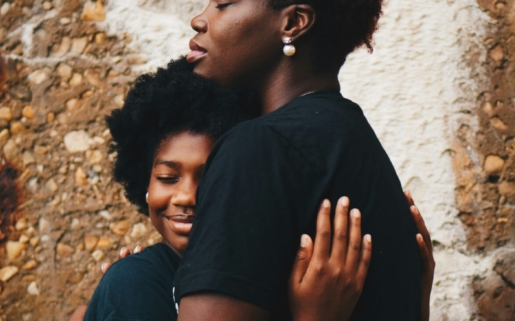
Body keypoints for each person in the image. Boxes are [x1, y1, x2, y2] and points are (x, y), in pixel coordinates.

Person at [75, 58, 434, 321]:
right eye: (168, 178)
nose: (186, 196)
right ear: (144, 185)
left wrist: (409, 301)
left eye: (211, 177)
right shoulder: (137, 282)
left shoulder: (276, 278)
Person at [176, 0, 425, 320]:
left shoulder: (259, 149)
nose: (199, 20)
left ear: (293, 23)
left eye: (223, 4)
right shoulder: (354, 142)